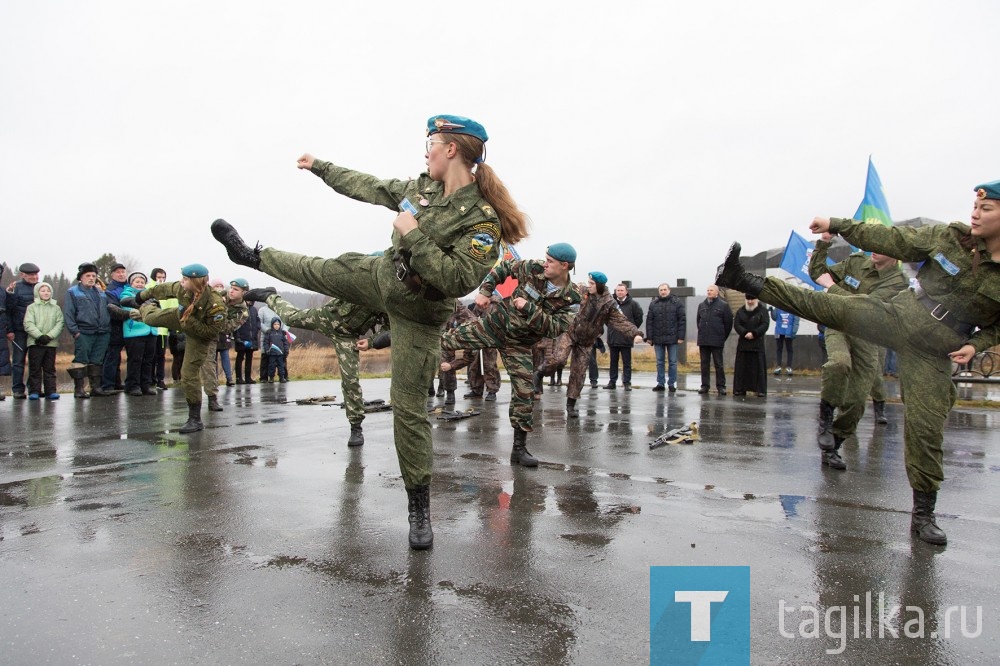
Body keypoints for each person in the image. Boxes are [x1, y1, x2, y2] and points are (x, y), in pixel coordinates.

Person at [211, 114, 528, 550]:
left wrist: (413, 233)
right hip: (382, 276)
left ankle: (419, 507)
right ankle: (252, 257)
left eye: (431, 143)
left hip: (419, 312)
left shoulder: (482, 220)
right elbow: (369, 185)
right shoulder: (422, 187)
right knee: (320, 270)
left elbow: (457, 280)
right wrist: (320, 167)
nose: (426, 151)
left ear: (451, 148)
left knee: (409, 407)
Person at [713, 178, 1000, 545]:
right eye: (974, 207)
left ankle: (924, 514)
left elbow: (996, 326)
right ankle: (741, 279)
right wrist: (838, 224)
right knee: (829, 306)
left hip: (934, 352)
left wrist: (977, 344)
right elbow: (889, 240)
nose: (974, 214)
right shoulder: (952, 238)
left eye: (985, 209)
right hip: (899, 316)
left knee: (926, 430)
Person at [441, 244, 580, 462]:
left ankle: (519, 449)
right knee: (447, 341)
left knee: (525, 391)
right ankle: (397, 336)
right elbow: (504, 268)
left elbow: (553, 328)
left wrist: (529, 308)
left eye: (550, 261)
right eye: (545, 258)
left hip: (520, 343)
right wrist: (486, 290)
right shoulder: (534, 269)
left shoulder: (572, 298)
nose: (545, 263)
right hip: (495, 325)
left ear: (564, 266)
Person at [808, 235, 907, 470]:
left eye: (880, 246)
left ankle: (833, 445)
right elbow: (818, 273)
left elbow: (866, 308)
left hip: (868, 336)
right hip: (839, 326)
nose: (873, 249)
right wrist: (823, 244)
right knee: (839, 363)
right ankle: (825, 419)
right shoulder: (856, 262)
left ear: (895, 254)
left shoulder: (897, 282)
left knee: (856, 402)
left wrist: (832, 288)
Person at [248, 285, 388, 446]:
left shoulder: (387, 297)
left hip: (348, 336)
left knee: (350, 379)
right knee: (291, 318)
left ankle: (356, 427)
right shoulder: (363, 279)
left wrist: (371, 341)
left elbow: (389, 326)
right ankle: (270, 297)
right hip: (326, 317)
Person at [121, 263, 229, 433]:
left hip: (199, 335)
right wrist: (141, 296)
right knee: (150, 319)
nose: (182, 281)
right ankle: (144, 306)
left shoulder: (215, 305)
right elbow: (163, 288)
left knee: (188, 374)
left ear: (197, 282)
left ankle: (195, 419)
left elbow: (210, 333)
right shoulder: (182, 288)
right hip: (181, 316)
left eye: (186, 279)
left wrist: (188, 319)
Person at [534, 271, 642, 417]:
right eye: (588, 282)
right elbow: (562, 294)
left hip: (586, 341)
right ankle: (540, 373)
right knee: (558, 359)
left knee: (578, 372)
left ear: (599, 285)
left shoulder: (609, 303)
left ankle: (571, 405)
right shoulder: (582, 291)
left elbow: (620, 321)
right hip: (570, 333)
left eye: (591, 284)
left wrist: (636, 333)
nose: (588, 285)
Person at [62, 262, 112, 399]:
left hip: (102, 332)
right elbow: (68, 313)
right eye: (88, 275)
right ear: (81, 277)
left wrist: (107, 329)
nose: (91, 278)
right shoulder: (72, 292)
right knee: (80, 360)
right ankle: (79, 389)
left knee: (97, 360)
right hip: (83, 332)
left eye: (94, 276)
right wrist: (75, 331)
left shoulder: (101, 293)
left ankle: (95, 387)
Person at [201, 279, 249, 411]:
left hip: (212, 335)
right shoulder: (218, 294)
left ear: (244, 293)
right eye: (231, 288)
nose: (231, 291)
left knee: (209, 364)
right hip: (197, 326)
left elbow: (227, 328)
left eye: (236, 289)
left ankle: (212, 398)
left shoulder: (242, 312)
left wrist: (220, 310)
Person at [118, 271, 159, 396]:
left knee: (148, 360)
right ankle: (132, 385)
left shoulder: (150, 295)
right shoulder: (126, 294)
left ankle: (145, 384)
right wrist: (146, 309)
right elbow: (128, 308)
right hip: (135, 332)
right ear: (131, 283)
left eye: (142, 282)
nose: (140, 284)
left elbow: (157, 309)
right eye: (137, 282)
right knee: (136, 360)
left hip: (151, 331)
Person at [24, 281, 64, 400]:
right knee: (35, 368)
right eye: (43, 290)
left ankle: (50, 391)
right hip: (35, 343)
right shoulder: (31, 307)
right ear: (37, 292)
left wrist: (49, 336)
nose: (46, 293)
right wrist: (39, 336)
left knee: (49, 369)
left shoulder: (56, 308)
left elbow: (60, 323)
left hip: (51, 343)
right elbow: (28, 323)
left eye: (48, 291)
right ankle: (34, 391)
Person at [6, 262, 41, 398]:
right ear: (22, 275)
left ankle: (34, 388)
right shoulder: (16, 288)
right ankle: (17, 389)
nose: (34, 277)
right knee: (18, 361)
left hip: (37, 332)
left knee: (36, 362)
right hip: (20, 331)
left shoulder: (41, 288)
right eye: (31, 275)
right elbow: (9, 311)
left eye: (36, 274)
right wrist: (10, 330)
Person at [645, 283, 686, 392]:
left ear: (669, 290)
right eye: (661, 290)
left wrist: (681, 336)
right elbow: (649, 321)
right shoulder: (653, 304)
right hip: (658, 338)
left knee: (672, 362)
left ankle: (672, 383)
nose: (663, 291)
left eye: (665, 289)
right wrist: (650, 337)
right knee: (659, 362)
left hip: (672, 338)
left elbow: (682, 320)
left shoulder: (677, 303)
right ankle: (660, 383)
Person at [603, 283, 643, 391]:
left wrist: (631, 330)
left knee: (626, 362)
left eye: (621, 290)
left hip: (626, 338)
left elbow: (638, 318)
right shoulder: (610, 304)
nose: (619, 292)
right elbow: (606, 318)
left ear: (626, 292)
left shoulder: (633, 304)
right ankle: (612, 382)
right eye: (618, 290)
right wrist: (612, 328)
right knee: (613, 362)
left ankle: (627, 382)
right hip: (613, 337)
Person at [437, 301, 477, 405]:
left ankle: (450, 391)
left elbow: (469, 358)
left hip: (460, 336)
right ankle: (444, 389)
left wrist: (452, 365)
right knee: (442, 361)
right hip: (444, 335)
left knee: (448, 364)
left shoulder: (474, 336)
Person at [696, 284, 733, 395]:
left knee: (718, 364)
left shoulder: (724, 306)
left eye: (711, 290)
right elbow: (699, 322)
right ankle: (705, 385)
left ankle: (721, 386)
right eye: (707, 290)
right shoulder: (701, 305)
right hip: (704, 340)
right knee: (704, 364)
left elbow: (728, 324)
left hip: (717, 339)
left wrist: (722, 337)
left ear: (717, 292)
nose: (709, 292)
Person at [463, 296, 501, 401]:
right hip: (479, 337)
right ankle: (476, 389)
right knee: (475, 365)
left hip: (491, 339)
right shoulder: (480, 303)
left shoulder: (496, 305)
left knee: (489, 365)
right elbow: (473, 316)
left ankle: (492, 390)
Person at [732, 295, 769, 397]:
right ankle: (739, 389)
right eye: (748, 299)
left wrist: (754, 333)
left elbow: (765, 324)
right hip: (744, 343)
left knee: (758, 368)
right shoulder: (740, 311)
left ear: (756, 300)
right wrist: (744, 333)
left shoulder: (763, 311)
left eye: (752, 299)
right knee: (741, 369)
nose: (750, 301)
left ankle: (760, 390)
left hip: (757, 343)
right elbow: (737, 324)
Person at [101, 262, 129, 394]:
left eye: (123, 272)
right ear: (112, 275)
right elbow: (113, 308)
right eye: (118, 272)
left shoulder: (130, 286)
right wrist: (131, 313)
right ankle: (108, 384)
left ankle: (120, 383)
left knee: (132, 357)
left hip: (131, 327)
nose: (121, 274)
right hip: (116, 326)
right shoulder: (109, 290)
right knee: (112, 357)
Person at [149, 268, 170, 389]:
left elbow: (173, 306)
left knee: (161, 356)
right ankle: (150, 378)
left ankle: (160, 379)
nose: (161, 279)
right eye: (158, 277)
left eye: (163, 277)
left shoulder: (167, 290)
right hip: (151, 328)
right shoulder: (149, 288)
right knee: (150, 356)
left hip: (163, 329)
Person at [233, 293, 261, 384]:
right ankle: (238, 378)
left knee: (249, 358)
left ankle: (248, 377)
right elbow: (235, 324)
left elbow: (257, 321)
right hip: (241, 338)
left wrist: (257, 328)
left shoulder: (254, 310)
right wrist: (237, 337)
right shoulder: (239, 309)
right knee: (240, 357)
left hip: (251, 338)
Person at [769, 307, 799, 376]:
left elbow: (796, 320)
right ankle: (778, 366)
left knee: (789, 349)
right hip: (779, 331)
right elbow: (775, 317)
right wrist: (772, 311)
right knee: (779, 349)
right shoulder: (778, 307)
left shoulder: (792, 308)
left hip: (788, 332)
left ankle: (789, 367)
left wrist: (794, 331)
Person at [262, 317, 289, 382]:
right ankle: (271, 377)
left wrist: (286, 351)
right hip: (272, 353)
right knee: (271, 366)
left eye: (278, 324)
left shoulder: (282, 333)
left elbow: (285, 343)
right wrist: (267, 349)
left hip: (280, 353)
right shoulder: (269, 333)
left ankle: (281, 377)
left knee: (281, 366)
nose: (276, 326)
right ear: (272, 325)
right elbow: (266, 342)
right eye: (275, 324)